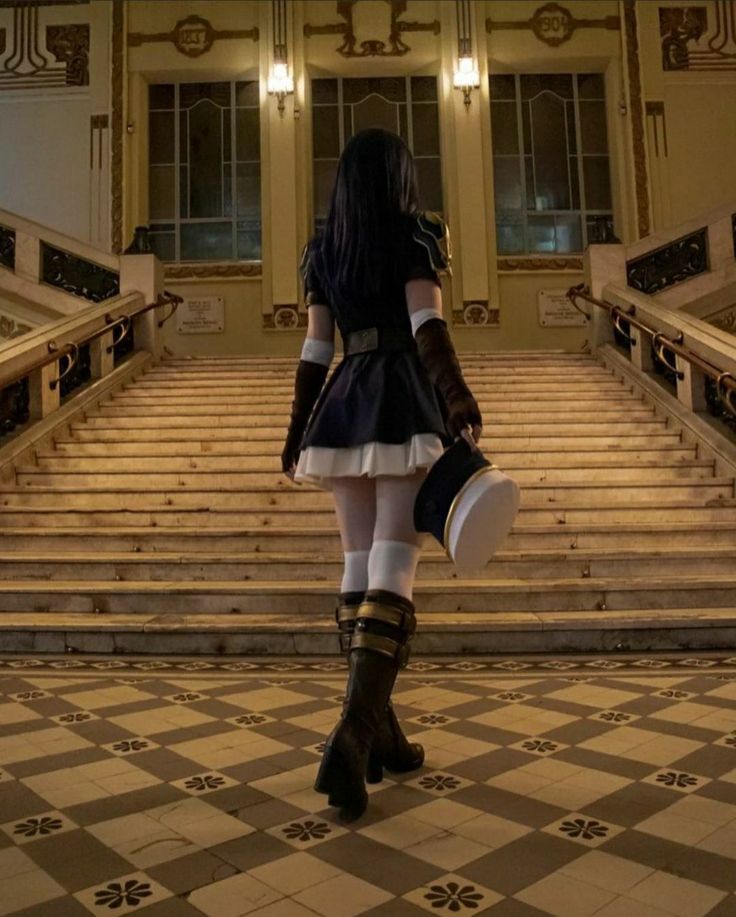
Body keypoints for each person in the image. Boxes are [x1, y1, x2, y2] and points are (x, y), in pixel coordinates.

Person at [281, 128, 482, 821]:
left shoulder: (323, 249)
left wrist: (296, 427)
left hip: (344, 398)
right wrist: (457, 397)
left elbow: (315, 348)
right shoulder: (417, 231)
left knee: (358, 567)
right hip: (400, 393)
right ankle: (351, 734)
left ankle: (380, 736)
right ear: (400, 174)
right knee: (395, 564)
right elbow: (426, 321)